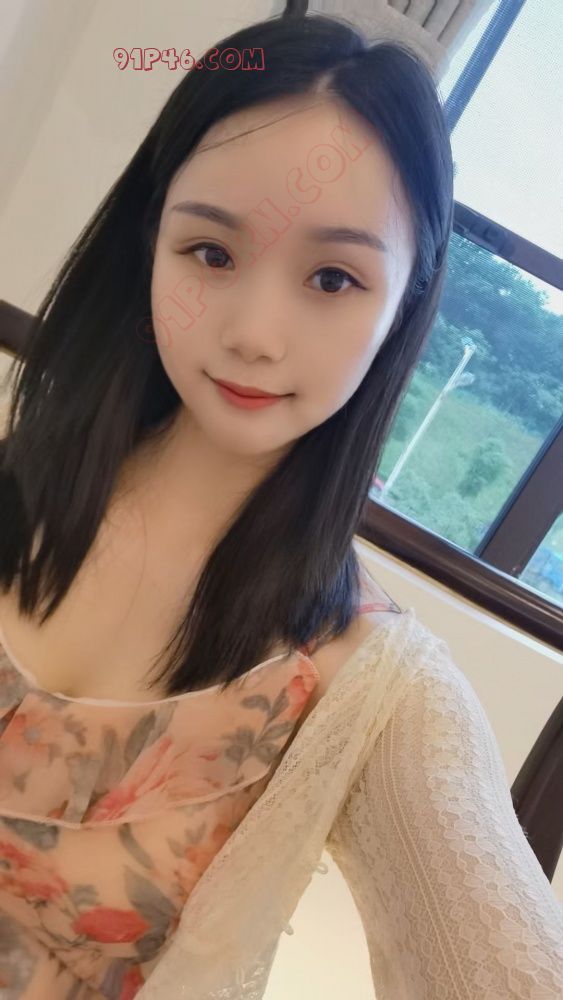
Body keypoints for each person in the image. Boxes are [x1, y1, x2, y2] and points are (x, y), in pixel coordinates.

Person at [0, 10, 561, 1000]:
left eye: (332, 278)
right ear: (150, 242)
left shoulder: (374, 689)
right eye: (211, 253)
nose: (255, 333)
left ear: (405, 301)